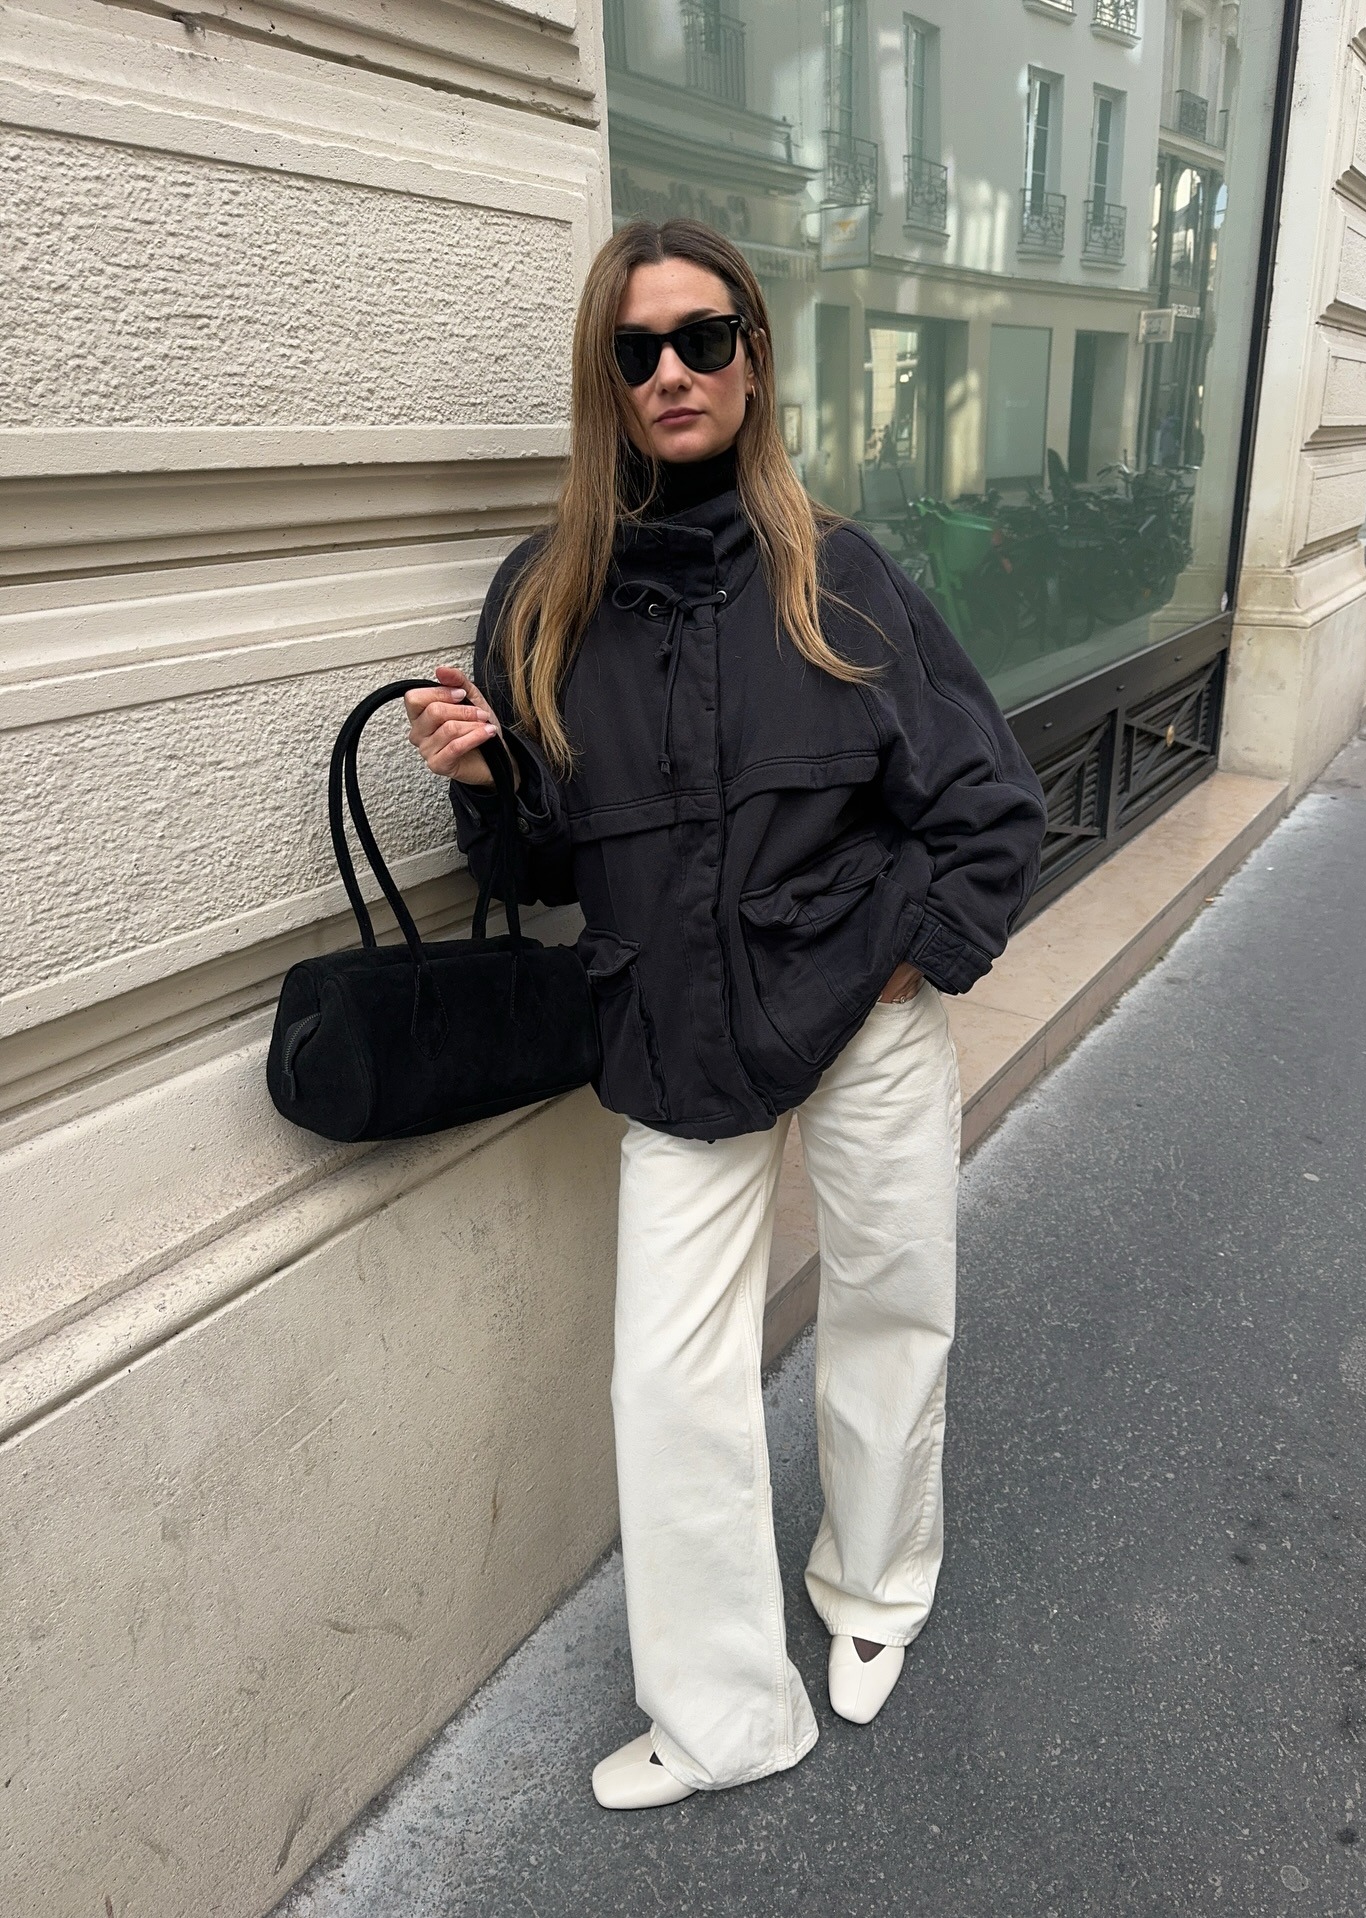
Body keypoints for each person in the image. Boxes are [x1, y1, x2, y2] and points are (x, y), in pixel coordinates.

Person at [404, 219, 1046, 1810]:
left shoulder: (840, 572)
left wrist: (914, 957)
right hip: (676, 1032)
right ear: (605, 383)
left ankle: (874, 1588)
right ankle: (723, 1711)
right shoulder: (549, 599)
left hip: (861, 1003)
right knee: (667, 1381)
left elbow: (990, 804)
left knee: (892, 1304)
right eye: (638, 351)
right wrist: (486, 776)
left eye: (702, 339)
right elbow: (547, 862)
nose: (672, 371)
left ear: (754, 360)